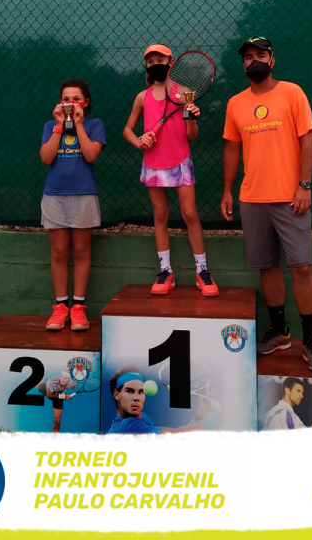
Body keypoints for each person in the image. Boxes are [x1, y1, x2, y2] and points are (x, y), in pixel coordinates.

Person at [221, 36, 312, 373]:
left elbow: (308, 140)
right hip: (252, 200)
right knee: (267, 267)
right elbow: (232, 149)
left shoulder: (292, 93)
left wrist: (304, 185)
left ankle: (311, 342)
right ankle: (280, 332)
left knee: (303, 268)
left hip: (291, 198)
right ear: (242, 64)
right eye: (248, 57)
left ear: (272, 60)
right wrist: (227, 191)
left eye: (260, 55)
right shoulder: (235, 103)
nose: (254, 60)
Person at [123, 44, 219, 297]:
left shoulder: (184, 92)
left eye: (161, 60)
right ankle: (166, 271)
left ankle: (202, 271)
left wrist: (192, 119)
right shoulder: (142, 97)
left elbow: (191, 135)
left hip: (180, 161)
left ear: (171, 62)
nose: (156, 64)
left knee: (190, 213)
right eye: (151, 61)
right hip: (153, 164)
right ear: (146, 65)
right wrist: (138, 141)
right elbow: (127, 130)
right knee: (160, 214)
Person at [39, 79, 105, 332]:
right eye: (66, 99)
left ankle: (78, 307)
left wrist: (77, 124)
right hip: (54, 196)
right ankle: (60, 307)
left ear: (85, 103)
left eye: (76, 99)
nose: (71, 103)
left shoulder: (94, 124)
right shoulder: (50, 126)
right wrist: (59, 127)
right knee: (58, 251)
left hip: (84, 195)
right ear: (60, 103)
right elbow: (46, 158)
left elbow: (91, 154)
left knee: (81, 251)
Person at [107, 367, 217, 434]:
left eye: (140, 392)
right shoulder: (127, 427)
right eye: (130, 391)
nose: (136, 398)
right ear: (117, 394)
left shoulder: (142, 417)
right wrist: (214, 421)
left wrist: (197, 418)